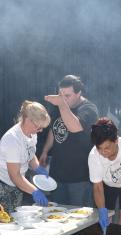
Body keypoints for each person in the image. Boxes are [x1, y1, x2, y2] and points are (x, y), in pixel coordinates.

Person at [39, 74, 98, 206]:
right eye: (61, 95)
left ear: (78, 93)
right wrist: (45, 150)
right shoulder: (59, 106)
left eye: (67, 96)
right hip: (57, 174)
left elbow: (75, 127)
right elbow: (54, 129)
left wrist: (61, 103)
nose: (64, 99)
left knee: (81, 218)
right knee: (58, 215)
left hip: (79, 177)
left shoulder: (89, 109)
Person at [0, 101, 51, 213]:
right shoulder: (12, 139)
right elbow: (15, 176)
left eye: (42, 128)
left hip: (17, 181)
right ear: (28, 120)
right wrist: (34, 191)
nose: (40, 131)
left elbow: (29, 153)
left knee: (16, 216)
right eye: (38, 127)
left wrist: (37, 168)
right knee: (5, 221)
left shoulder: (32, 133)